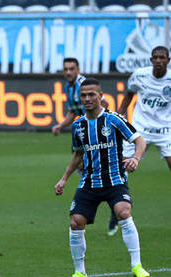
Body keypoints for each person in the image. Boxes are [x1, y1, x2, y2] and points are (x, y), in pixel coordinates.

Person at [54, 78, 150, 277]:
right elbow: (78, 154)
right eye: (83, 96)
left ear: (100, 96)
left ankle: (137, 265)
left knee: (123, 212)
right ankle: (80, 272)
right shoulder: (78, 125)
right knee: (75, 222)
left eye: (91, 95)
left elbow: (139, 141)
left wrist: (135, 158)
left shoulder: (114, 119)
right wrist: (63, 179)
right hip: (89, 183)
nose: (87, 99)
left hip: (115, 180)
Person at [52, 57, 119, 236]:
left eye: (71, 69)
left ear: (78, 69)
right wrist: (60, 125)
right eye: (65, 69)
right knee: (82, 165)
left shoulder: (84, 85)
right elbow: (73, 112)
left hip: (97, 133)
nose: (68, 72)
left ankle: (114, 202)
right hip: (82, 133)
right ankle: (107, 200)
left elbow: (105, 105)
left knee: (95, 168)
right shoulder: (69, 88)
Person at [117, 45, 171, 170]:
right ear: (151, 60)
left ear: (168, 60)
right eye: (155, 57)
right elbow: (129, 95)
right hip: (140, 128)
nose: (158, 60)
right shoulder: (139, 75)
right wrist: (118, 117)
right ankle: (120, 190)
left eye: (162, 58)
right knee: (124, 165)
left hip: (165, 131)